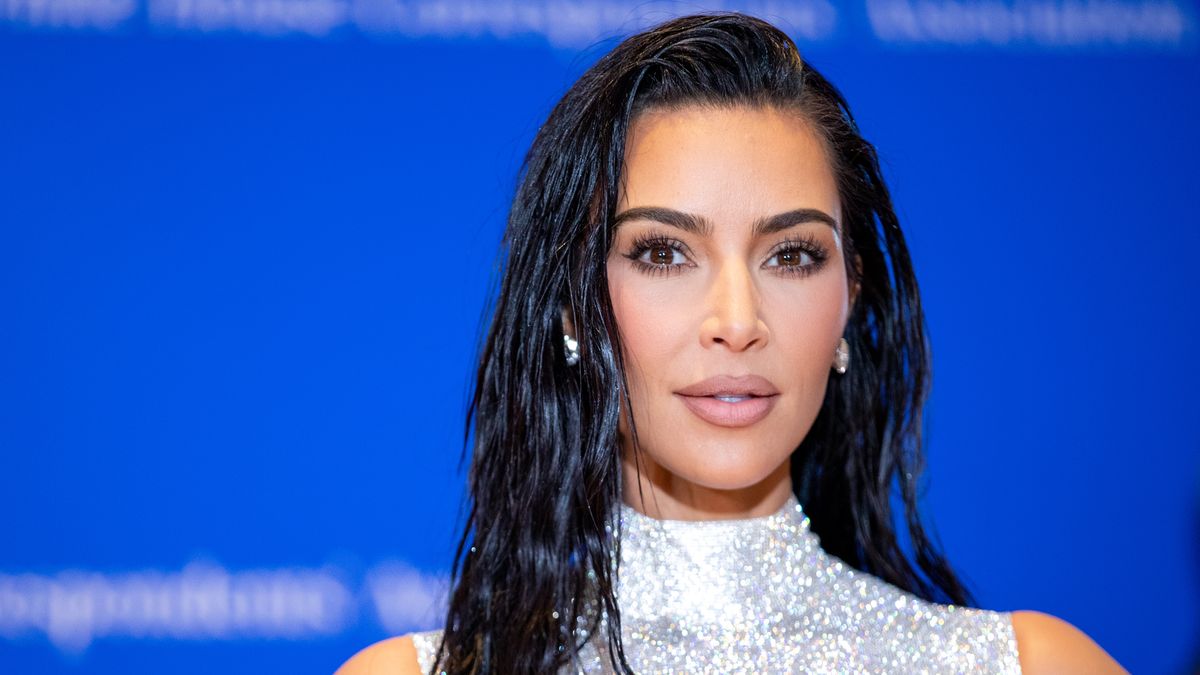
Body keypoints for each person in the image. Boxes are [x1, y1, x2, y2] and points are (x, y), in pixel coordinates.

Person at [338, 12, 1125, 674]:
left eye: (792, 255)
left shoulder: (1028, 662)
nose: (738, 320)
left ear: (849, 297)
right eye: (662, 252)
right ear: (574, 309)